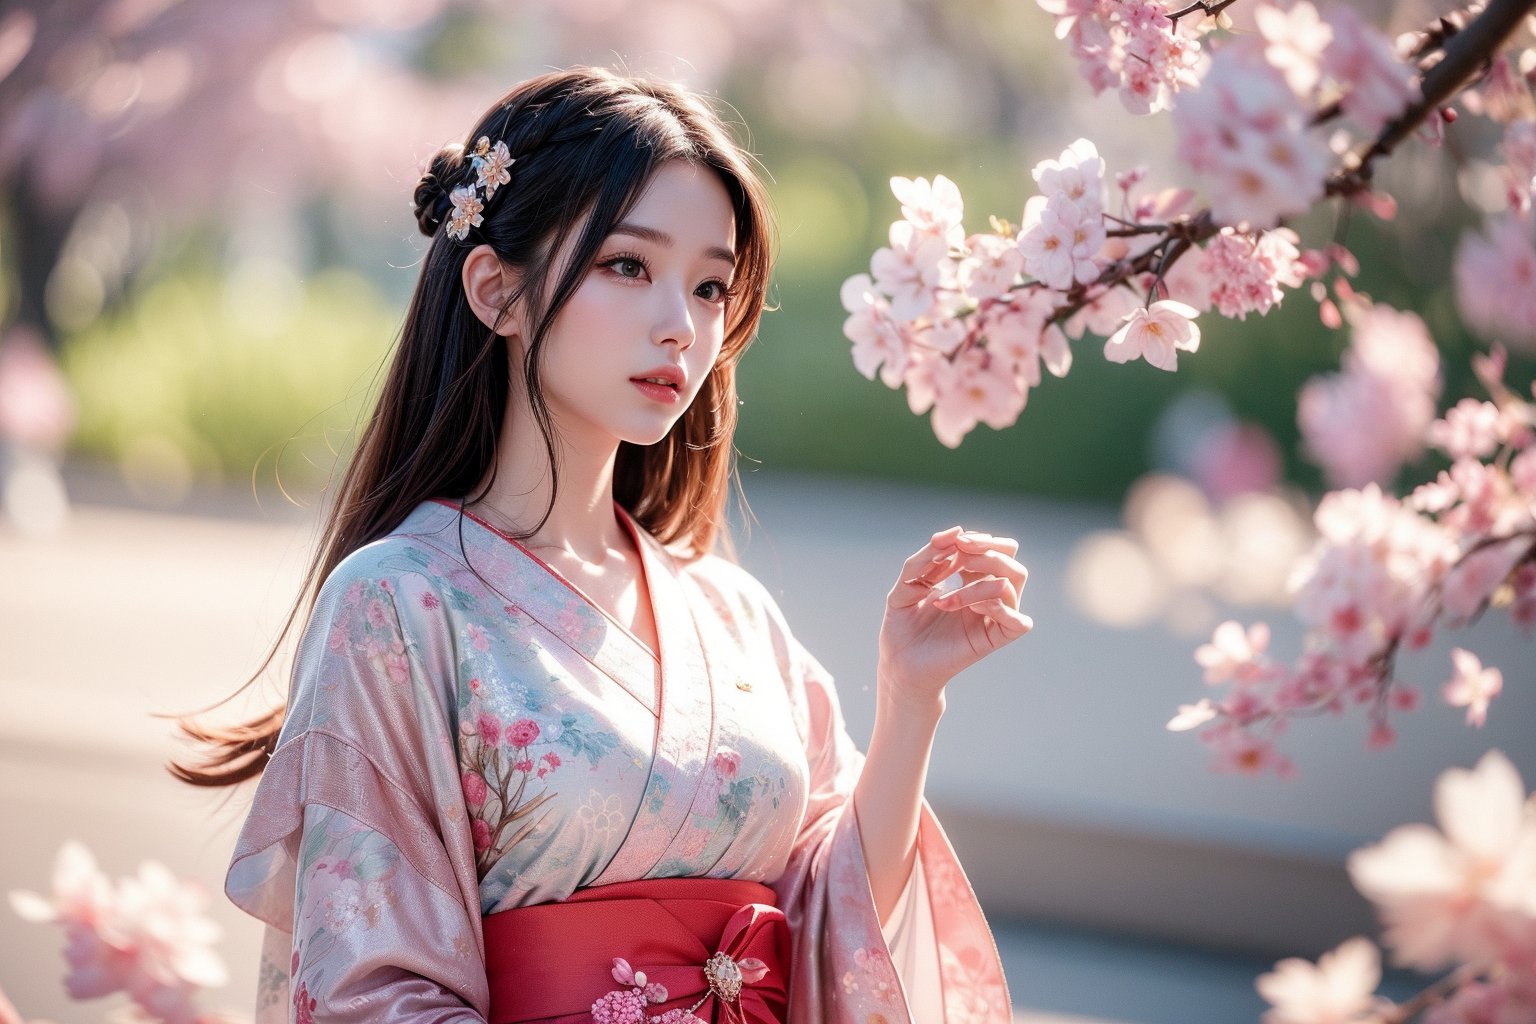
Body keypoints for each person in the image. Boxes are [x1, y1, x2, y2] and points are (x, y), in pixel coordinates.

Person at [177, 67, 1032, 1024]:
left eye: (711, 286)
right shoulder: (400, 602)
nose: (682, 326)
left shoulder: (733, 612)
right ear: (496, 290)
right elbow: (370, 988)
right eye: (629, 266)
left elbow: (831, 925)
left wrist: (911, 697)